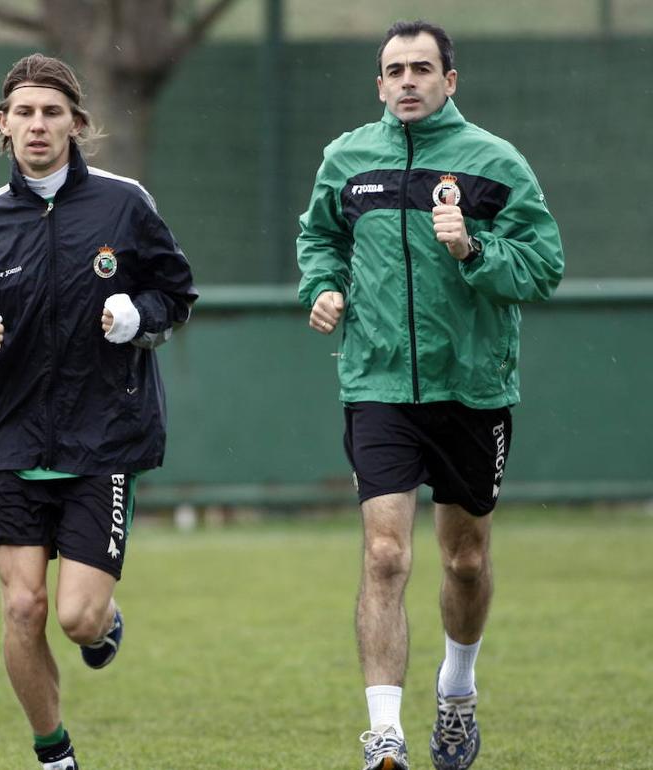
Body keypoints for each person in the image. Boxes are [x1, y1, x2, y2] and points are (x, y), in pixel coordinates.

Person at [296, 20, 564, 770]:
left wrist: (472, 247)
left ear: (451, 79)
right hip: (377, 383)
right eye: (394, 70)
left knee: (465, 563)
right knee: (385, 554)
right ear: (378, 85)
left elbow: (543, 266)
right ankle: (385, 734)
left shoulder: (494, 163)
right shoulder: (347, 161)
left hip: (472, 388)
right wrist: (323, 289)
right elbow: (320, 241)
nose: (407, 80)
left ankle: (457, 693)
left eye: (422, 68)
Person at [0, 53, 196, 770]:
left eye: (52, 112)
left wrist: (139, 316)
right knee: (22, 609)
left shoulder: (124, 204)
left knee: (75, 616)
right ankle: (55, 754)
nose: (38, 125)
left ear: (77, 123)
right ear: (2, 127)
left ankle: (103, 627)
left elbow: (176, 295)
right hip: (12, 442)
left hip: (102, 439)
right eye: (24, 113)